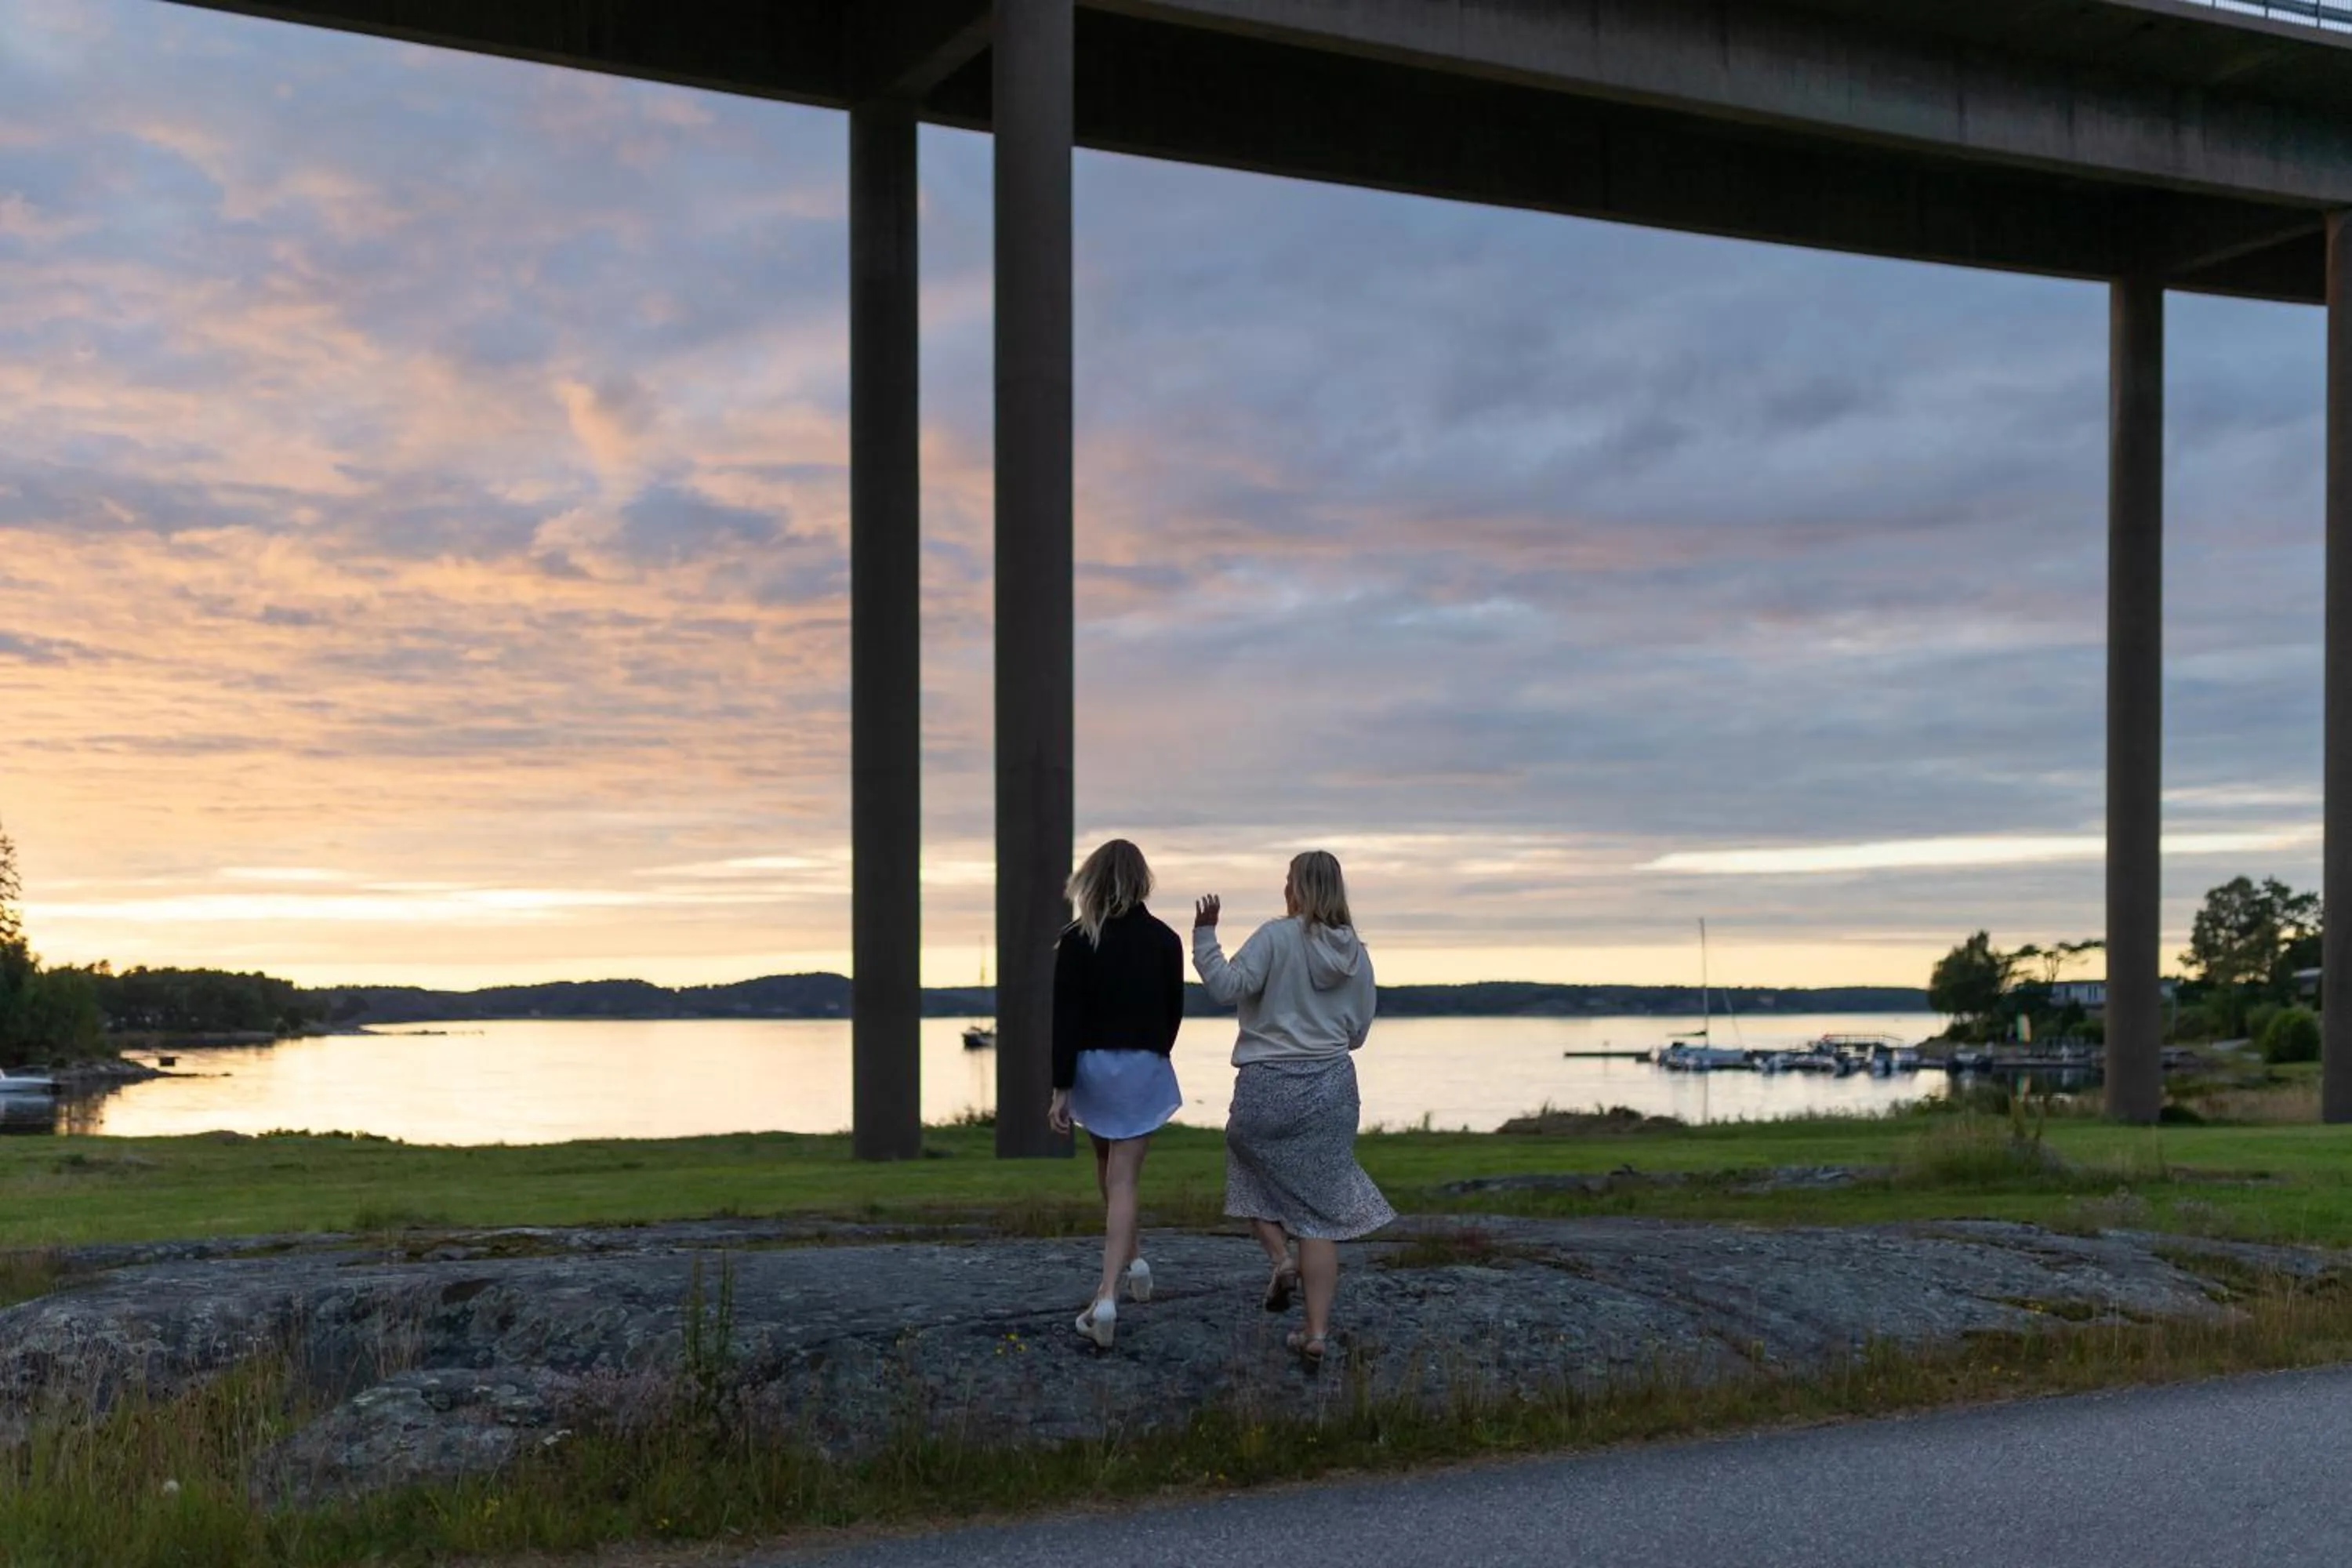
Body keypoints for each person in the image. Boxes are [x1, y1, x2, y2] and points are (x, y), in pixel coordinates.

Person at [1192, 849, 1394, 1369]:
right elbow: (1358, 1033)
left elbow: (1225, 988)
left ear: (1296, 887)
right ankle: (1317, 1332)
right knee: (1320, 1215)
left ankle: (1281, 1259)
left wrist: (1205, 936)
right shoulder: (1357, 954)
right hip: (1330, 1085)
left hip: (1267, 1082)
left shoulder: (1275, 937)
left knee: (1247, 1166)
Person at [1048, 838, 1186, 1348]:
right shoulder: (1165, 940)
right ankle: (1113, 1286)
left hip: (1092, 1067)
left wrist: (1061, 1086)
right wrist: (1154, 1055)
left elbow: (1065, 1019)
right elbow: (1174, 1011)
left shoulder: (1078, 940)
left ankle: (1127, 1269)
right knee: (1123, 1176)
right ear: (1142, 880)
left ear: (1093, 879)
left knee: (1109, 1167)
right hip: (1142, 1063)